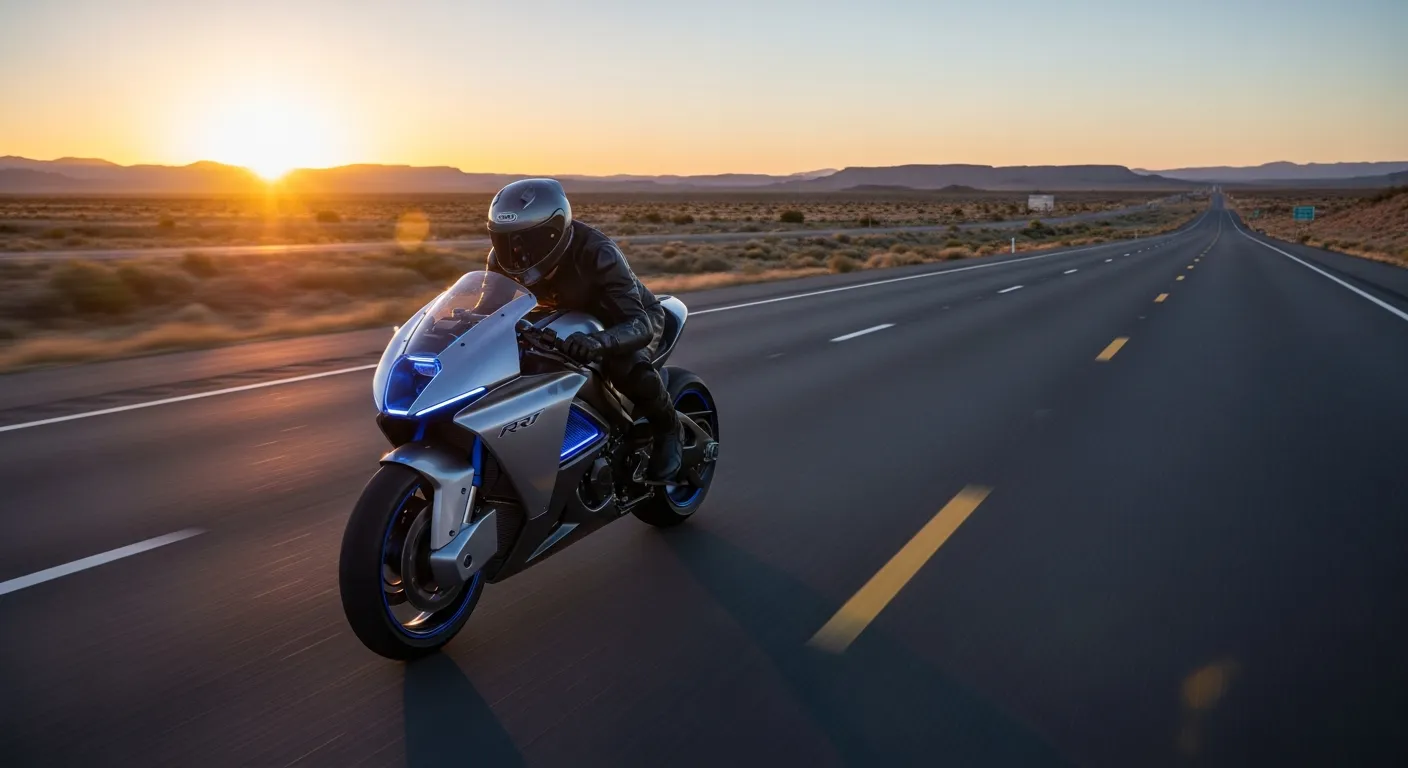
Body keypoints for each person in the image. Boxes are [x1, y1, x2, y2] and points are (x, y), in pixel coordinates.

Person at [485, 178, 681, 482]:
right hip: (571, 320)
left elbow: (640, 325)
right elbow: (490, 311)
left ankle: (668, 430)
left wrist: (599, 342)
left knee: (624, 363)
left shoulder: (597, 252)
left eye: (525, 240)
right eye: (506, 240)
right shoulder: (501, 262)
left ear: (553, 231)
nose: (516, 252)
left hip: (630, 319)